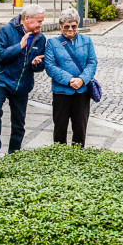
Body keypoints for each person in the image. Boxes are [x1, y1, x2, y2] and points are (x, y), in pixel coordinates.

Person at [0, 4, 46, 160]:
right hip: (1, 79)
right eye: (38, 21)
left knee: (18, 123)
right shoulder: (5, 31)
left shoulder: (40, 38)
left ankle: (14, 153)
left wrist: (36, 64)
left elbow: (40, 65)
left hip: (22, 84)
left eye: (42, 21)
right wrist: (19, 46)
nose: (41, 25)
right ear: (27, 19)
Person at [43, 9, 98, 147]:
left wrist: (82, 79)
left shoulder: (87, 40)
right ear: (61, 25)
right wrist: (69, 79)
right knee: (60, 128)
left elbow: (92, 62)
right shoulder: (52, 43)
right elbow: (50, 66)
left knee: (80, 128)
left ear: (77, 25)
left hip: (82, 92)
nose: (70, 29)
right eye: (66, 26)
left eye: (73, 26)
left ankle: (78, 158)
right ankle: (60, 159)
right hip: (62, 92)